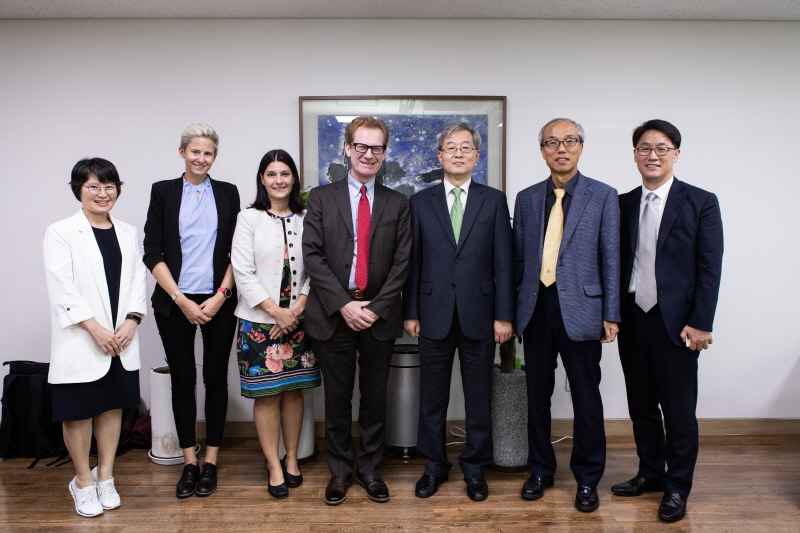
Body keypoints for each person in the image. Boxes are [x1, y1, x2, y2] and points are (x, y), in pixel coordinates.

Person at [613, 119, 723, 522]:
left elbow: (709, 267)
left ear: (676, 153)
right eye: (644, 148)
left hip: (678, 323)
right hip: (632, 317)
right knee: (641, 405)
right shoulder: (622, 203)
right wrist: (610, 315)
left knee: (678, 410)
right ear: (635, 154)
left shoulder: (701, 202)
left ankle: (678, 486)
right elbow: (614, 262)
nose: (652, 155)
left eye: (661, 148)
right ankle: (649, 473)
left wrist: (701, 323)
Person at [302, 116, 412, 505]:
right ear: (347, 148)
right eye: (361, 146)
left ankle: (368, 469)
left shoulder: (398, 203)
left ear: (384, 153)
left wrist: (376, 308)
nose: (369, 154)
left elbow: (403, 263)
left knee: (374, 399)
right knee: (336, 399)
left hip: (379, 317)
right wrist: (345, 305)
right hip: (334, 313)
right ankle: (339, 472)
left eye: (377, 148)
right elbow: (312, 256)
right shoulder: (321, 197)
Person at [513, 118, 620, 513]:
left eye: (569, 141)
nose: (561, 149)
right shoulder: (525, 198)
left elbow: (611, 257)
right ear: (542, 150)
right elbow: (520, 260)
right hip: (535, 309)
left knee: (587, 398)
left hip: (584, 311)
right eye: (552, 142)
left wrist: (612, 313)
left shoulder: (602, 195)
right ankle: (540, 469)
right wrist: (512, 313)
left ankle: (588, 478)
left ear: (580, 147)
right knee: (536, 397)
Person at [403, 122, 513, 502]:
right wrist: (411, 311)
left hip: (480, 314)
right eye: (451, 148)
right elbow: (413, 263)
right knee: (431, 398)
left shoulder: (494, 200)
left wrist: (504, 315)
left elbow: (504, 261)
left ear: (476, 156)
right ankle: (434, 466)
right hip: (432, 312)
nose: (458, 153)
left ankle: (475, 467)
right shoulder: (420, 202)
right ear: (440, 156)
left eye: (466, 148)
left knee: (478, 397)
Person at [43, 158, 147, 517]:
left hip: (121, 337)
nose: (103, 194)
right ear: (78, 190)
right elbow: (62, 288)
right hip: (83, 337)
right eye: (93, 187)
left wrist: (132, 321)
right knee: (78, 413)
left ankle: (106, 477)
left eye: (109, 186)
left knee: (112, 406)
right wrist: (95, 328)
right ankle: (83, 481)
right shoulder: (61, 231)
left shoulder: (128, 232)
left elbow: (137, 280)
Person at [143, 123, 240, 498]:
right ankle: (189, 462)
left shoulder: (228, 193)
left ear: (215, 158)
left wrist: (219, 296)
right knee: (183, 380)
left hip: (219, 302)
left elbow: (237, 251)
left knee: (215, 379)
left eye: (209, 153)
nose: (201, 158)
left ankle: (211, 462)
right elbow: (152, 251)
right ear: (182, 152)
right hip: (174, 303)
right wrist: (181, 299)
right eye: (195, 151)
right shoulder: (163, 192)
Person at [231, 149, 321, 499]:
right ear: (262, 179)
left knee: (294, 392)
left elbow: (318, 266)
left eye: (285, 173)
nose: (279, 180)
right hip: (259, 323)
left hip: (300, 320)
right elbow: (242, 271)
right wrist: (276, 312)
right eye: (271, 174)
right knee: (267, 397)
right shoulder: (248, 218)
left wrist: (296, 308)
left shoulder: (308, 216)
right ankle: (273, 464)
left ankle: (293, 459)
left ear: (294, 179)